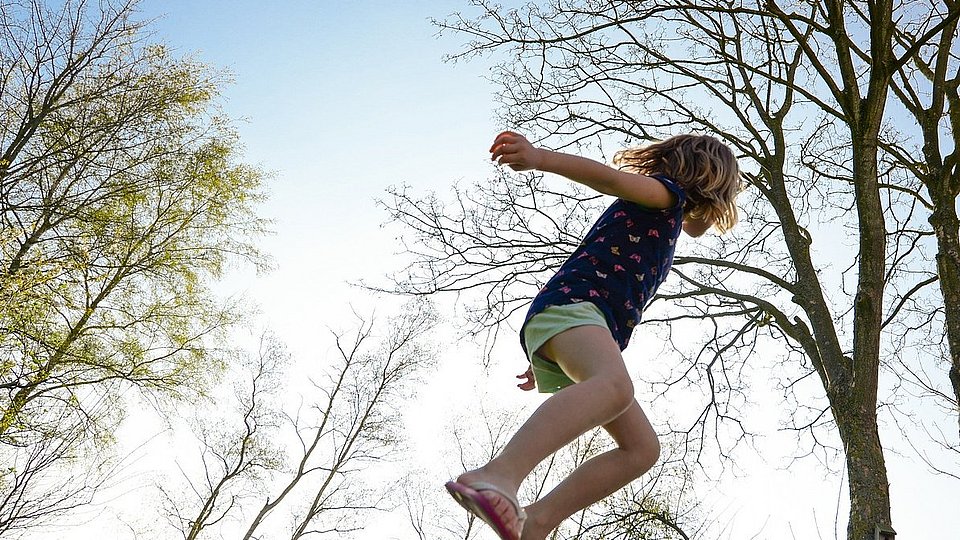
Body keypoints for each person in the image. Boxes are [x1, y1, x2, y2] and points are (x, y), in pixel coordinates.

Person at [444, 130, 741, 540]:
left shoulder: (668, 213)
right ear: (708, 180)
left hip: (575, 322)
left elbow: (697, 229)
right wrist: (538, 157)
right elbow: (609, 178)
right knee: (616, 387)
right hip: (575, 308)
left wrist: (553, 353)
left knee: (641, 449)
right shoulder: (662, 194)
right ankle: (498, 474)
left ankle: (536, 522)